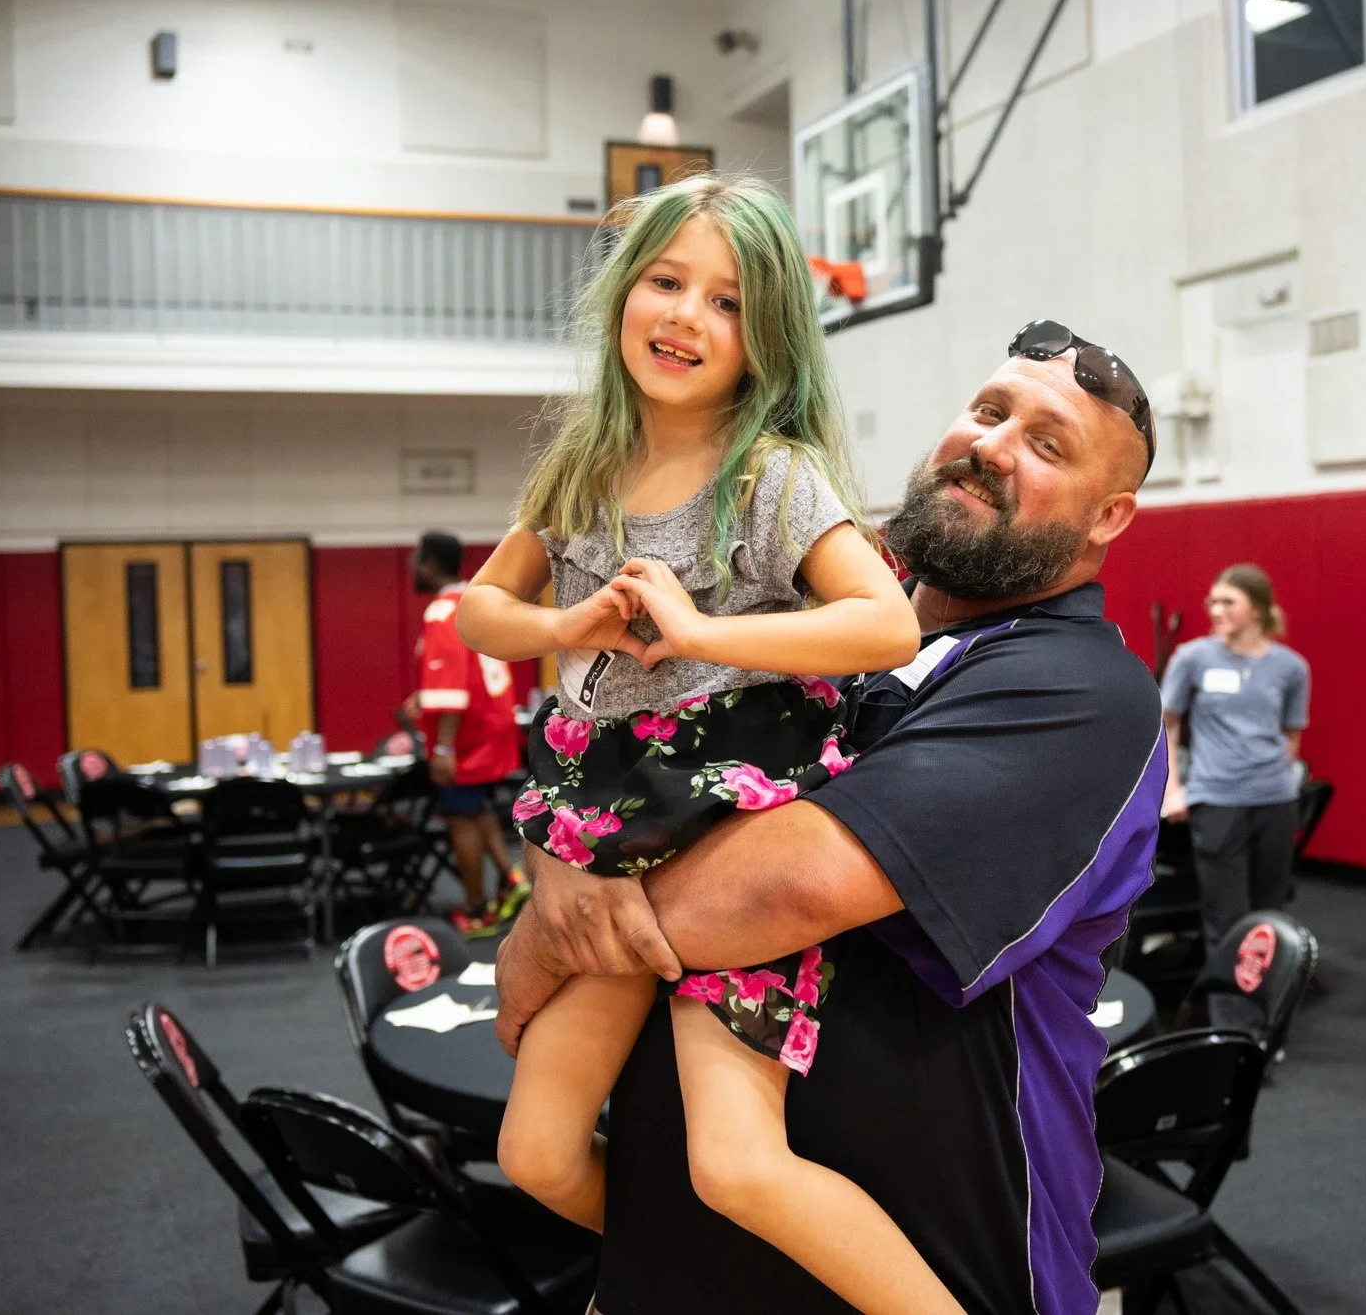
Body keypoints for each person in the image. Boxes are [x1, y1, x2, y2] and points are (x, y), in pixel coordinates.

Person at [491, 316, 1166, 1315]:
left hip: (938, 1267)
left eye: (1045, 442)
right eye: (987, 411)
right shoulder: (800, 621)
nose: (991, 446)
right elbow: (617, 752)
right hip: (672, 1268)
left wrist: (552, 932)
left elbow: (783, 886)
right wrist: (559, 862)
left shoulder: (1078, 691)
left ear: (1106, 519)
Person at [456, 175, 961, 1315]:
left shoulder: (772, 476)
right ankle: (699, 1279)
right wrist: (560, 624)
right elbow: (478, 611)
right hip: (600, 846)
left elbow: (885, 623)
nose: (686, 316)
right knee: (535, 1154)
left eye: (726, 302)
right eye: (667, 282)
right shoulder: (580, 468)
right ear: (623, 293)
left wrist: (703, 629)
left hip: (723, 852)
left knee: (734, 1163)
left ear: (766, 337)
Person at [1158, 563, 1311, 1026]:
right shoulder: (1193, 658)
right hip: (1216, 801)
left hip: (1275, 801)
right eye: (1213, 601)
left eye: (1228, 602)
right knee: (1226, 921)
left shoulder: (1290, 666)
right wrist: (1173, 790)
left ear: (1258, 609)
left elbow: (1291, 736)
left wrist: (1276, 775)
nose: (1215, 610)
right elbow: (1167, 726)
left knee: (1268, 918)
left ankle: (1265, 1018)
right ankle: (1232, 1030)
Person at [409, 531, 525, 936]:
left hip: (466, 738)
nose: (412, 566)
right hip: (494, 725)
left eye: (416, 558)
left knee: (460, 817)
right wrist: (423, 697)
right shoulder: (474, 602)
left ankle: (475, 910)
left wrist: (442, 746)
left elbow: (453, 688)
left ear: (431, 565)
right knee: (476, 809)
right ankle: (514, 880)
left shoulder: (443, 611)